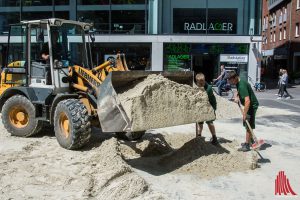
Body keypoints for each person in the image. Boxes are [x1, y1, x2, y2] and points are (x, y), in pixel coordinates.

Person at [226, 71, 259, 152]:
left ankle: (247, 145)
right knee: (247, 123)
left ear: (235, 78)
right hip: (249, 105)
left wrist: (244, 114)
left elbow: (247, 101)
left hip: (251, 106)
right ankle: (250, 141)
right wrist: (237, 97)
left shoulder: (242, 85)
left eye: (230, 80)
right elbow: (238, 91)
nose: (229, 82)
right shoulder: (239, 82)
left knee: (248, 124)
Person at [195, 73, 218, 145]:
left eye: (202, 83)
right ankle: (199, 136)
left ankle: (214, 138)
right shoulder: (197, 87)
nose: (201, 85)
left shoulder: (209, 88)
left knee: (209, 122)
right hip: (202, 106)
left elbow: (203, 100)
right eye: (199, 84)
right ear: (197, 82)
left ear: (204, 80)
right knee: (200, 122)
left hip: (210, 106)